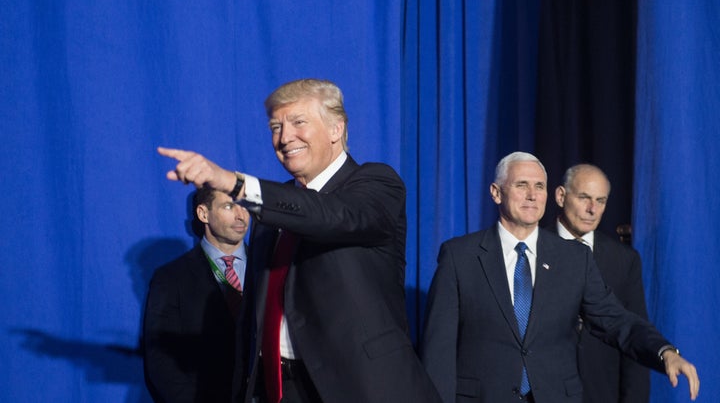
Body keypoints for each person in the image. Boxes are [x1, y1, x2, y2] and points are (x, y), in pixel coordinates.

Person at [157, 78, 441, 403]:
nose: (284, 137)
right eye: (276, 127)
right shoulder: (271, 209)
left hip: (359, 389)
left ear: (336, 129)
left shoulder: (377, 184)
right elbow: (253, 317)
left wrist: (230, 182)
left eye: (298, 122)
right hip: (279, 390)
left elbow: (327, 215)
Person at [420, 151, 699, 403]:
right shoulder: (460, 256)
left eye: (539, 186)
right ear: (496, 193)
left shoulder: (574, 259)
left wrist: (664, 351)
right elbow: (438, 352)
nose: (532, 194)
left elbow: (616, 319)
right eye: (521, 185)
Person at [143, 187, 250, 403]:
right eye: (229, 206)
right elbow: (161, 359)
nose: (241, 215)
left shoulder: (270, 266)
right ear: (203, 214)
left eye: (245, 205)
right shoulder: (171, 278)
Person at [554, 164, 649, 403]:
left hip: (602, 394)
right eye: (584, 198)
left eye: (601, 201)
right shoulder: (531, 250)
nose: (592, 209)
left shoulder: (624, 260)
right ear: (560, 196)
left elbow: (633, 343)